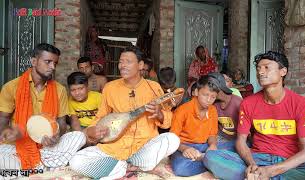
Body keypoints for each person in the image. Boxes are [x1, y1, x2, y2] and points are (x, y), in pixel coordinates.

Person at [203, 51, 305, 179]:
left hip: (289, 162)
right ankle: (257, 175)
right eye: (258, 68)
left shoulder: (302, 105)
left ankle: (259, 177)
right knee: (211, 157)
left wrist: (272, 171)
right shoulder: (248, 103)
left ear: (283, 71)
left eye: (267, 67)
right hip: (258, 158)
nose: (260, 72)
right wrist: (252, 165)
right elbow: (241, 142)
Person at [69, 46, 180, 179]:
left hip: (144, 147)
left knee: (172, 139)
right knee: (76, 161)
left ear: (140, 65)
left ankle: (124, 166)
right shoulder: (110, 88)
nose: (122, 65)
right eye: (121, 62)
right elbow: (101, 116)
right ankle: (124, 167)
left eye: (128, 61)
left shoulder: (154, 87)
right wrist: (92, 130)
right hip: (115, 147)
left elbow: (167, 119)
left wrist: (160, 114)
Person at [0, 43, 86, 177]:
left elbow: (62, 123)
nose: (52, 67)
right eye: (48, 62)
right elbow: (3, 121)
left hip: (47, 147)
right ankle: (43, 167)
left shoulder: (59, 90)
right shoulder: (11, 87)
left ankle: (31, 168)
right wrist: (9, 132)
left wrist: (55, 136)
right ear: (34, 61)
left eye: (55, 63)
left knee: (79, 136)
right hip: (19, 146)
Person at [170, 75, 219, 177]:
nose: (209, 100)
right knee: (180, 169)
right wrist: (185, 149)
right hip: (182, 146)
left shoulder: (213, 110)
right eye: (205, 95)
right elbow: (172, 139)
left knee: (233, 146)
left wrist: (213, 145)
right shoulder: (182, 110)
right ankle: (212, 162)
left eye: (213, 97)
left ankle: (207, 159)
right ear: (196, 92)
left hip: (203, 146)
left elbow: (212, 134)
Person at [208, 72, 243, 152]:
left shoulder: (238, 103)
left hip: (236, 140)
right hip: (220, 138)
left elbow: (246, 134)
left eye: (209, 90)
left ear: (218, 88)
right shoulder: (213, 104)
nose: (208, 95)